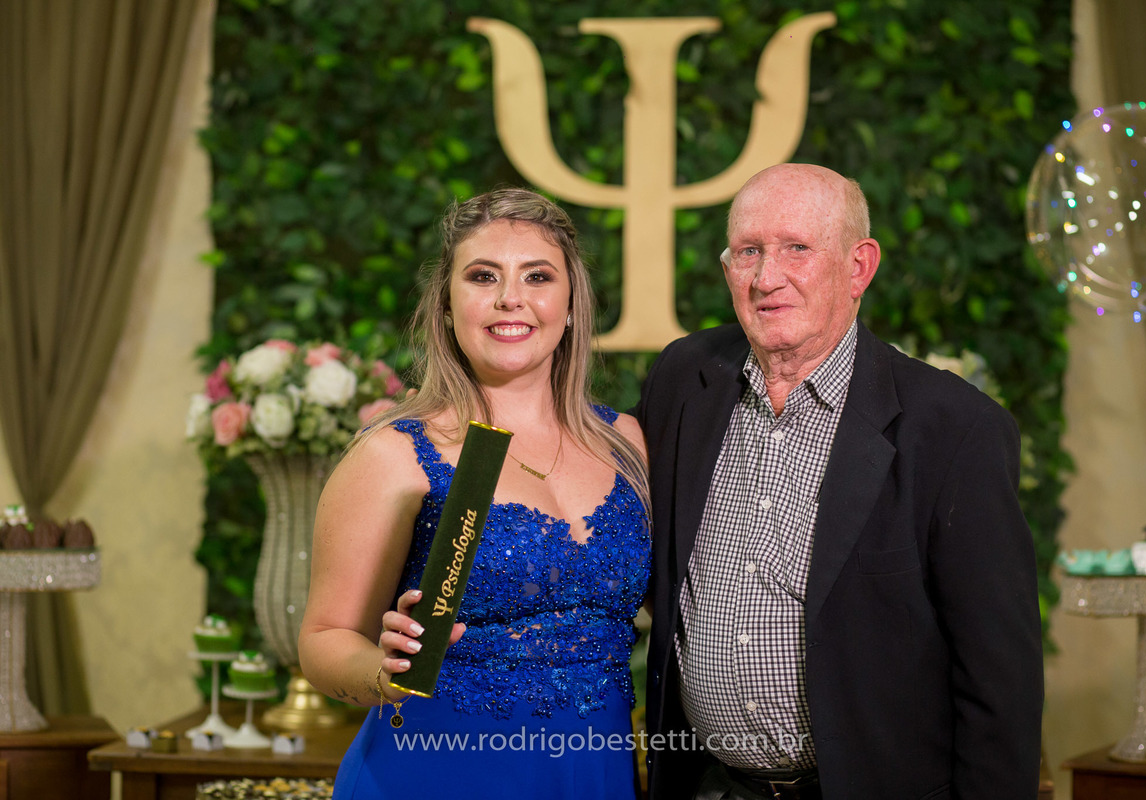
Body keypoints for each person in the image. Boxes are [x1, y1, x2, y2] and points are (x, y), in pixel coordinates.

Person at [635, 163, 1043, 800]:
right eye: (748, 251)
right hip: (711, 787)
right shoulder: (684, 379)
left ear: (859, 267)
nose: (767, 278)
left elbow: (1000, 681)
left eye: (797, 248)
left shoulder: (954, 430)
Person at [298, 188, 652, 800]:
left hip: (594, 772)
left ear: (571, 303)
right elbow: (324, 638)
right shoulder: (394, 452)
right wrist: (384, 672)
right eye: (483, 276)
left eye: (537, 276)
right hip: (436, 771)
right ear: (445, 304)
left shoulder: (625, 441)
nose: (510, 298)